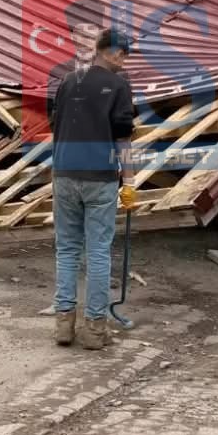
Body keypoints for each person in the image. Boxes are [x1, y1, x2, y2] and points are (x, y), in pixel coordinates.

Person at [48, 28, 136, 350]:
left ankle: (64, 325)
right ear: (110, 51)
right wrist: (130, 182)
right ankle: (95, 330)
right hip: (99, 178)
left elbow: (54, 125)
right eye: (123, 53)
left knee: (68, 250)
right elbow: (123, 139)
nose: (125, 61)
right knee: (97, 251)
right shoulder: (119, 86)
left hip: (65, 174)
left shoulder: (69, 81)